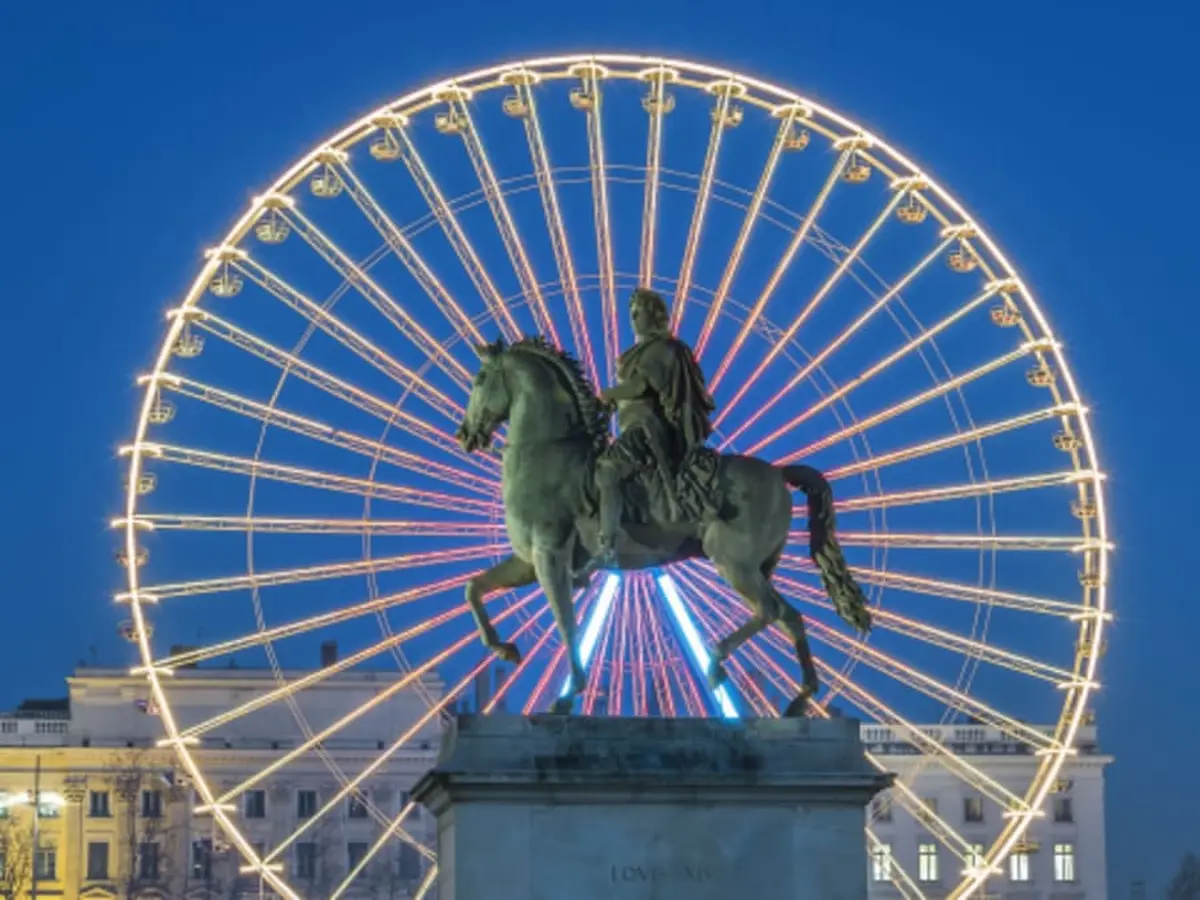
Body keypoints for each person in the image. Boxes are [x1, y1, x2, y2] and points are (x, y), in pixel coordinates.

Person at [595, 288, 715, 565]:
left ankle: (608, 540)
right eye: (631, 313)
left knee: (608, 469)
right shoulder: (639, 353)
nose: (634, 317)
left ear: (656, 316)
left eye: (639, 311)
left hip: (649, 428)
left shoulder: (662, 349)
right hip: (632, 426)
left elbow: (641, 386)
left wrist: (608, 395)